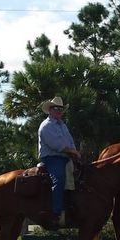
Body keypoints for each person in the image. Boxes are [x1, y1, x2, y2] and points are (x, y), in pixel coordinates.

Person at [37, 96, 81, 229]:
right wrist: (72, 152)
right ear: (50, 110)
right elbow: (57, 145)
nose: (59, 111)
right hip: (52, 158)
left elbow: (70, 141)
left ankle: (72, 208)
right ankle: (56, 213)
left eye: (61, 109)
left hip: (66, 157)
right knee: (59, 179)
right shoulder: (46, 126)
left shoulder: (62, 125)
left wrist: (74, 151)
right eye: (56, 108)